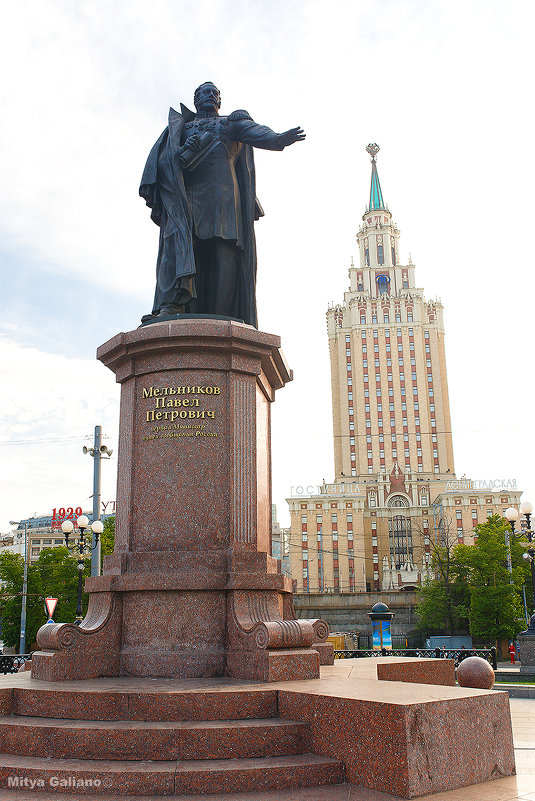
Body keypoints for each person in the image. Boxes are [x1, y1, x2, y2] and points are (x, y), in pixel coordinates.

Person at [140, 82, 305, 327]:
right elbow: (167, 161)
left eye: (215, 94)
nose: (211, 96)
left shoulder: (230, 122)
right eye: (205, 92)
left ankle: (221, 314)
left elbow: (255, 132)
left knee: (223, 248)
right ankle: (173, 304)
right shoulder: (181, 126)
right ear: (196, 99)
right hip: (186, 197)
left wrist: (277, 139)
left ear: (220, 101)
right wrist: (183, 151)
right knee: (182, 249)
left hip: (223, 195)